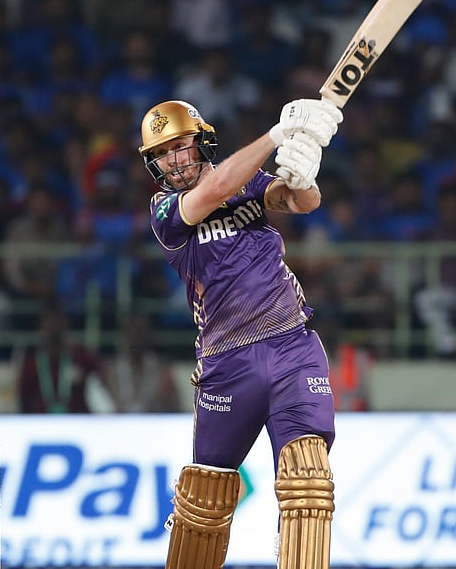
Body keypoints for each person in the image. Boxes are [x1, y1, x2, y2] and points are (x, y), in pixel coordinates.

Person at [137, 98, 342, 568]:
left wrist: (303, 176)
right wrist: (276, 136)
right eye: (162, 154)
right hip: (227, 364)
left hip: (292, 344)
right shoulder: (165, 209)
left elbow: (297, 203)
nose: (174, 160)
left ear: (201, 140)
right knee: (202, 505)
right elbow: (215, 191)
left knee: (307, 483)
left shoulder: (250, 182)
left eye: (180, 146)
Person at [16, 306, 111, 414]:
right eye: (49, 324)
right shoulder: (31, 364)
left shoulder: (83, 358)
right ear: (40, 327)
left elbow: (103, 386)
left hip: (78, 423)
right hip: (42, 424)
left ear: (65, 324)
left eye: (56, 323)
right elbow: (22, 400)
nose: (53, 329)